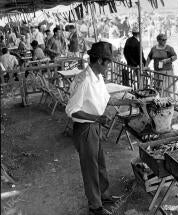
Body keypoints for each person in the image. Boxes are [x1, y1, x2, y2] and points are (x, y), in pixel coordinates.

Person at [66, 41, 142, 215]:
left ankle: (104, 195)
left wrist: (130, 100)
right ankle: (95, 207)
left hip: (94, 126)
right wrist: (97, 118)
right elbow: (71, 111)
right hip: (85, 129)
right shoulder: (85, 80)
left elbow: (107, 99)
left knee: (100, 163)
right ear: (99, 60)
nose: (109, 66)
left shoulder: (97, 77)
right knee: (90, 168)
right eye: (108, 62)